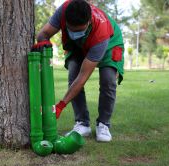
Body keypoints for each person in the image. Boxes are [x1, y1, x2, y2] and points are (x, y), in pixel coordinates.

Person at [32, 0, 124, 142]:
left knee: (108, 80)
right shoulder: (63, 11)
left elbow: (83, 78)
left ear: (88, 22)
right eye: (71, 29)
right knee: (73, 74)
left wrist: (61, 106)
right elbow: (43, 33)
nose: (75, 33)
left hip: (109, 42)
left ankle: (103, 124)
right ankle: (82, 123)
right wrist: (44, 42)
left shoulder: (101, 32)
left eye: (79, 30)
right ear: (66, 21)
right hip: (78, 46)